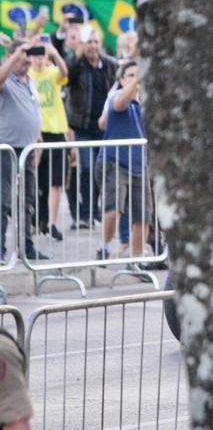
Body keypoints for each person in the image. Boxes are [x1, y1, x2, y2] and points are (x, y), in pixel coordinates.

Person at [96, 61, 151, 266]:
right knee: (114, 207)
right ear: (121, 79)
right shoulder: (116, 97)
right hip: (114, 161)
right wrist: (138, 79)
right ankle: (104, 247)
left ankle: (137, 260)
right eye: (130, 75)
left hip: (139, 164)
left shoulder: (145, 102)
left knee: (143, 215)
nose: (135, 78)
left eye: (138, 74)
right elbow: (119, 105)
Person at [0, 42, 48, 261]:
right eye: (23, 56)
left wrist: (37, 141)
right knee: (4, 201)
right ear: (12, 56)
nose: (27, 61)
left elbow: (34, 111)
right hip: (7, 149)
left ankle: (26, 248)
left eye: (29, 57)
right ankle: (0, 248)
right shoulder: (6, 78)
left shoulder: (30, 82)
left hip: (27, 149)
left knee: (27, 201)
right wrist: (14, 56)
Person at [65, 28, 117, 227]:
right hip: (82, 127)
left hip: (104, 128)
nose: (93, 46)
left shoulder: (110, 66)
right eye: (89, 42)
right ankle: (85, 213)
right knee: (86, 168)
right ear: (83, 44)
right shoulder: (77, 65)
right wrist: (76, 54)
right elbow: (67, 76)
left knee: (100, 170)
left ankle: (95, 210)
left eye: (96, 42)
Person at [28, 42, 70, 241]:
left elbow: (64, 73)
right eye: (35, 56)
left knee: (56, 181)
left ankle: (52, 222)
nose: (38, 60)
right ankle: (38, 220)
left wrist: (55, 53)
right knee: (39, 180)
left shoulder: (52, 72)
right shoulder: (27, 75)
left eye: (41, 56)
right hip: (36, 131)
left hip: (56, 130)